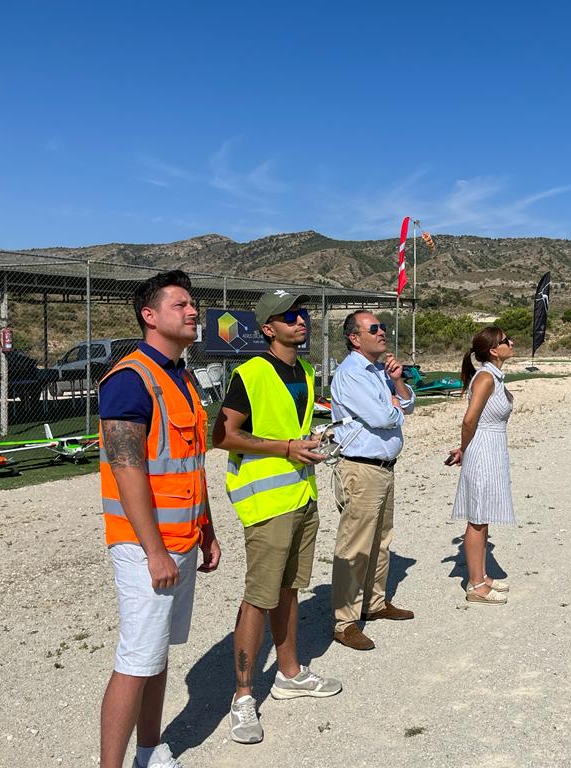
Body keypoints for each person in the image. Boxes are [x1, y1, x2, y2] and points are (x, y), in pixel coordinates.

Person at [98, 270, 221, 768]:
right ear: (149, 316)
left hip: (182, 538)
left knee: (157, 653)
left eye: (193, 304)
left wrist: (207, 530)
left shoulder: (182, 377)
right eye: (180, 305)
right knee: (135, 660)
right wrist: (153, 551)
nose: (193, 311)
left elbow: (191, 463)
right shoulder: (130, 379)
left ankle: (149, 750)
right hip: (145, 545)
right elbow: (126, 470)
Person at [212, 289, 341, 746]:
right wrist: (286, 448)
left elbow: (289, 427)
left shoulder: (304, 370)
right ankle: (243, 695)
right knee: (259, 596)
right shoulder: (250, 373)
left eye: (302, 313)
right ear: (268, 328)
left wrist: (310, 441)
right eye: (289, 316)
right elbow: (222, 435)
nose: (300, 321)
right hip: (266, 503)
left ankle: (289, 673)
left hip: (302, 493)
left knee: (289, 588)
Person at [329, 310, 416, 651]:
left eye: (383, 327)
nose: (383, 332)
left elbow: (408, 403)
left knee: (380, 540)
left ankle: (374, 602)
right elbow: (382, 416)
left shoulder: (379, 371)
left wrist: (397, 382)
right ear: (355, 338)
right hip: (361, 469)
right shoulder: (351, 374)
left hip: (384, 467)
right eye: (375, 328)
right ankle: (345, 621)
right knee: (355, 545)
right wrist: (395, 409)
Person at [446, 326, 516, 605]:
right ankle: (475, 585)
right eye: (506, 341)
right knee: (477, 519)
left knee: (483, 515)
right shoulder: (486, 378)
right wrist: (464, 449)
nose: (512, 343)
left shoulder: (493, 376)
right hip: (482, 451)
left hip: (491, 449)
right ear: (493, 350)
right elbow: (469, 420)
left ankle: (482, 575)